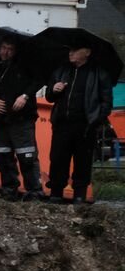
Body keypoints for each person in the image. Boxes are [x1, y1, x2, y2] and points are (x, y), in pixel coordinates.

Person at [45, 42, 113, 204]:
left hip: (85, 126)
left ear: (87, 52)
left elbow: (106, 101)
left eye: (75, 50)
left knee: (83, 160)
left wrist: (96, 120)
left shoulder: (98, 73)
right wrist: (53, 89)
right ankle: (56, 193)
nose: (71, 52)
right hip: (62, 124)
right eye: (70, 49)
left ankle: (79, 195)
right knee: (58, 159)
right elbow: (49, 96)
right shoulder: (61, 70)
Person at [0, 35, 45, 201]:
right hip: (1, 120)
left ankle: (35, 191)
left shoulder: (25, 65)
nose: (5, 52)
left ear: (16, 51)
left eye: (10, 49)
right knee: (3, 156)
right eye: (3, 48)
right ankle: (9, 189)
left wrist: (25, 96)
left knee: (27, 156)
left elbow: (38, 80)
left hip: (22, 119)